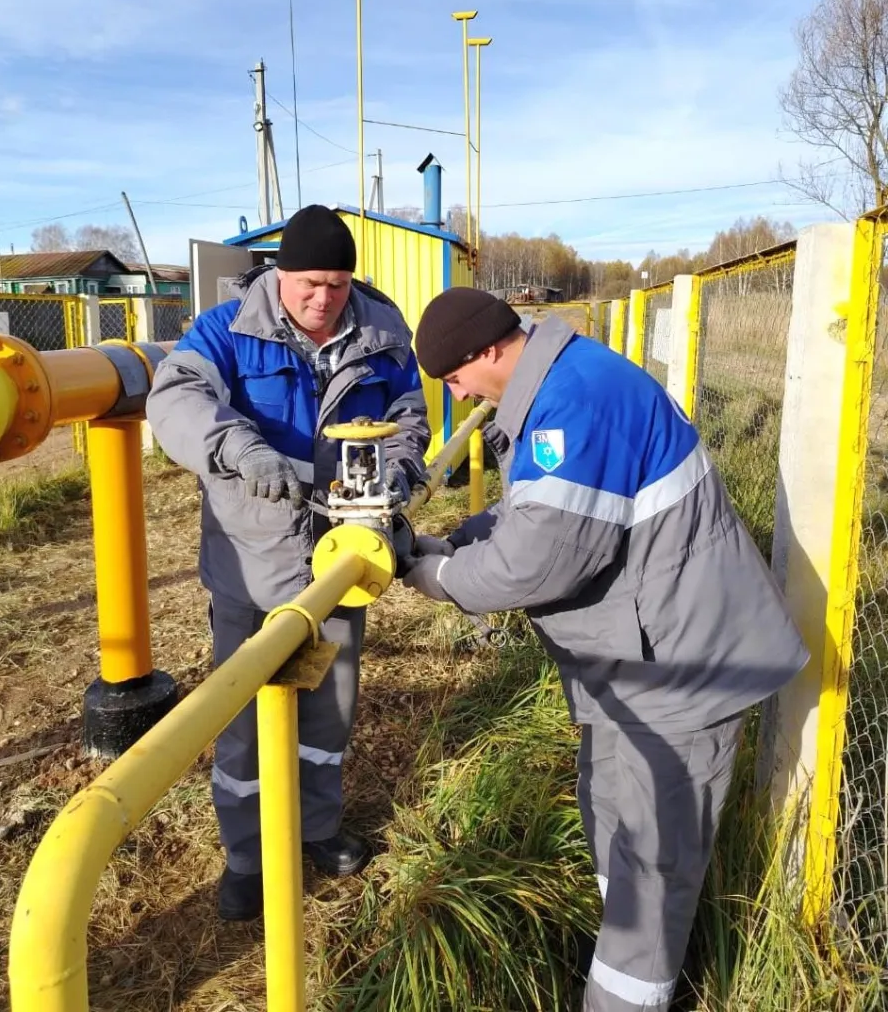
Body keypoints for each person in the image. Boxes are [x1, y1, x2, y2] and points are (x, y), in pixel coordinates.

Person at [401, 288, 808, 1012]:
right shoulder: (557, 383)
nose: (457, 396)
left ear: (487, 349)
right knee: (611, 815)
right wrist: (453, 541)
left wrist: (435, 575)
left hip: (685, 664)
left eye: (455, 378)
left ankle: (629, 989)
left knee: (651, 865)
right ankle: (634, 965)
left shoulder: (576, 402)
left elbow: (538, 561)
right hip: (638, 656)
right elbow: (538, 508)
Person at [145, 205, 430, 920]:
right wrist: (239, 447)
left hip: (341, 560)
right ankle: (248, 856)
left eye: (337, 284)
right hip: (254, 563)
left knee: (328, 709)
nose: (323, 299)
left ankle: (317, 827)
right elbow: (175, 398)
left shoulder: (382, 333)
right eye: (309, 284)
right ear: (280, 275)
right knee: (244, 716)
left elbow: (409, 418)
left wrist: (398, 471)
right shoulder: (228, 329)